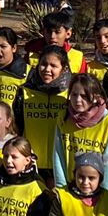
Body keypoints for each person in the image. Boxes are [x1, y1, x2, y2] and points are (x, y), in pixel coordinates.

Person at [51, 74, 108, 191]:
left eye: (84, 96)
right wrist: (61, 187)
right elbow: (58, 155)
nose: (78, 100)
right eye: (74, 95)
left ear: (95, 97)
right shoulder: (64, 117)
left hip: (96, 190)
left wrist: (104, 191)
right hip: (69, 187)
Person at [18, 47, 71, 178]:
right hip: (30, 163)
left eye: (53, 66)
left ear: (63, 68)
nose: (47, 69)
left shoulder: (71, 94)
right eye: (43, 64)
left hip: (63, 164)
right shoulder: (24, 92)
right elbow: (16, 128)